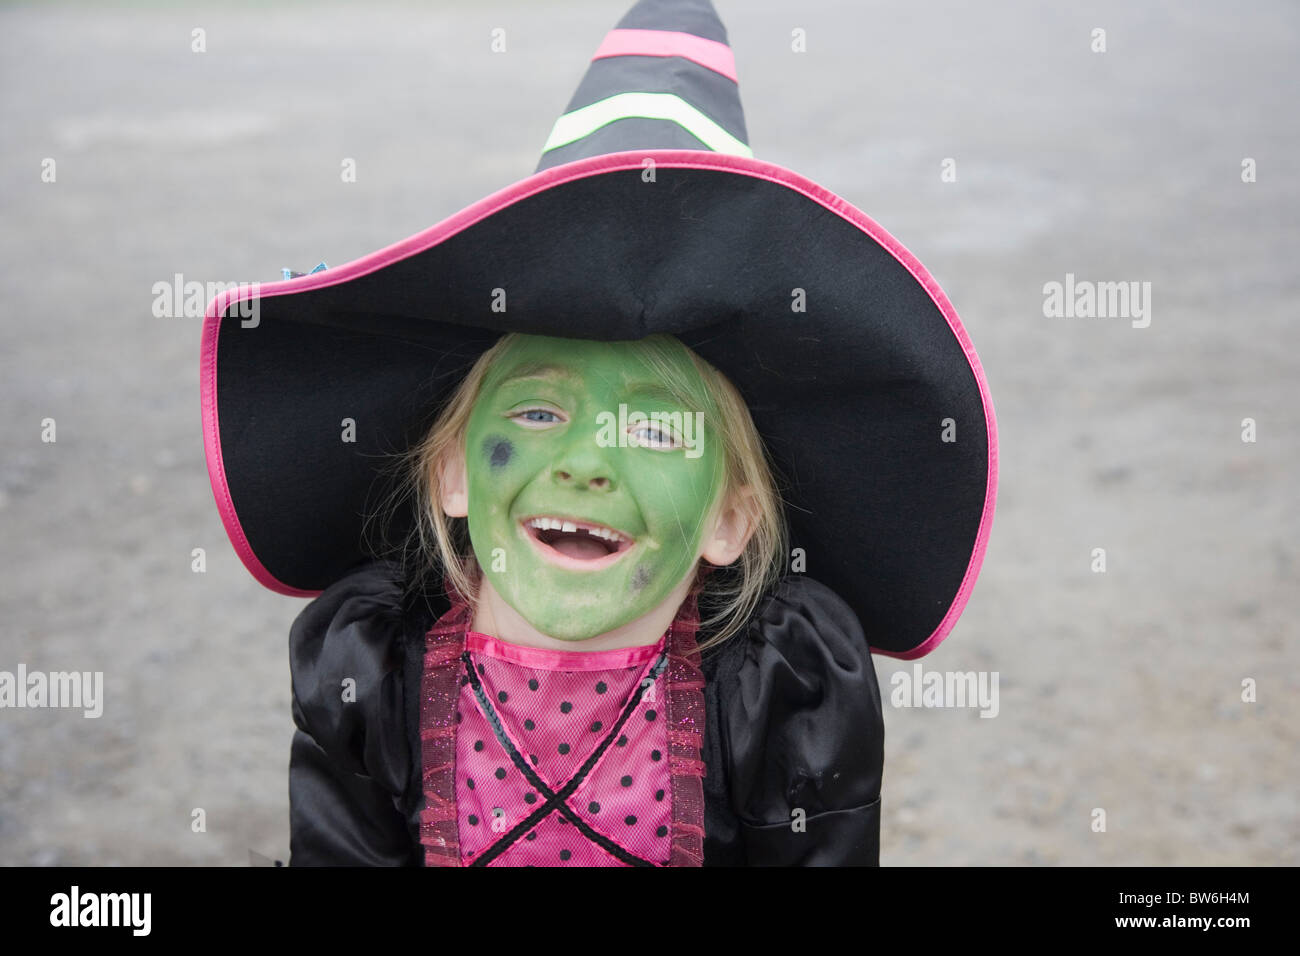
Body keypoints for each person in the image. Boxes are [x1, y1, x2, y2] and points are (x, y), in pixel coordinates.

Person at [201, 0, 998, 866]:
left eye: (655, 429)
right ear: (451, 472)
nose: (585, 462)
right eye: (538, 412)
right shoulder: (369, 673)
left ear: (730, 520)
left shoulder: (784, 691)